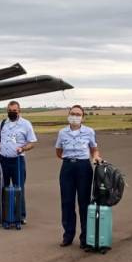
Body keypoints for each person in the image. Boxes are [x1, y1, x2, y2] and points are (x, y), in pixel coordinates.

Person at [55, 105, 101, 248]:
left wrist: (96, 158)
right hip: (68, 167)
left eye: (78, 114)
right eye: (72, 113)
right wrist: (69, 160)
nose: (75, 116)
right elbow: (58, 151)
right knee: (67, 202)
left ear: (83, 117)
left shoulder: (89, 132)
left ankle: (85, 238)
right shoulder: (62, 132)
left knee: (84, 203)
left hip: (83, 167)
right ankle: (68, 236)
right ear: (68, 115)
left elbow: (94, 149)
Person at [0, 100, 38, 223]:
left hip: (17, 160)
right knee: (2, 188)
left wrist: (23, 148)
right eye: (9, 111)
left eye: (14, 111)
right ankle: (2, 214)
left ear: (19, 111)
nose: (12, 113)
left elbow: (32, 142)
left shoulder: (26, 124)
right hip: (2, 160)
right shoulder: (2, 123)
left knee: (19, 187)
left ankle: (21, 216)